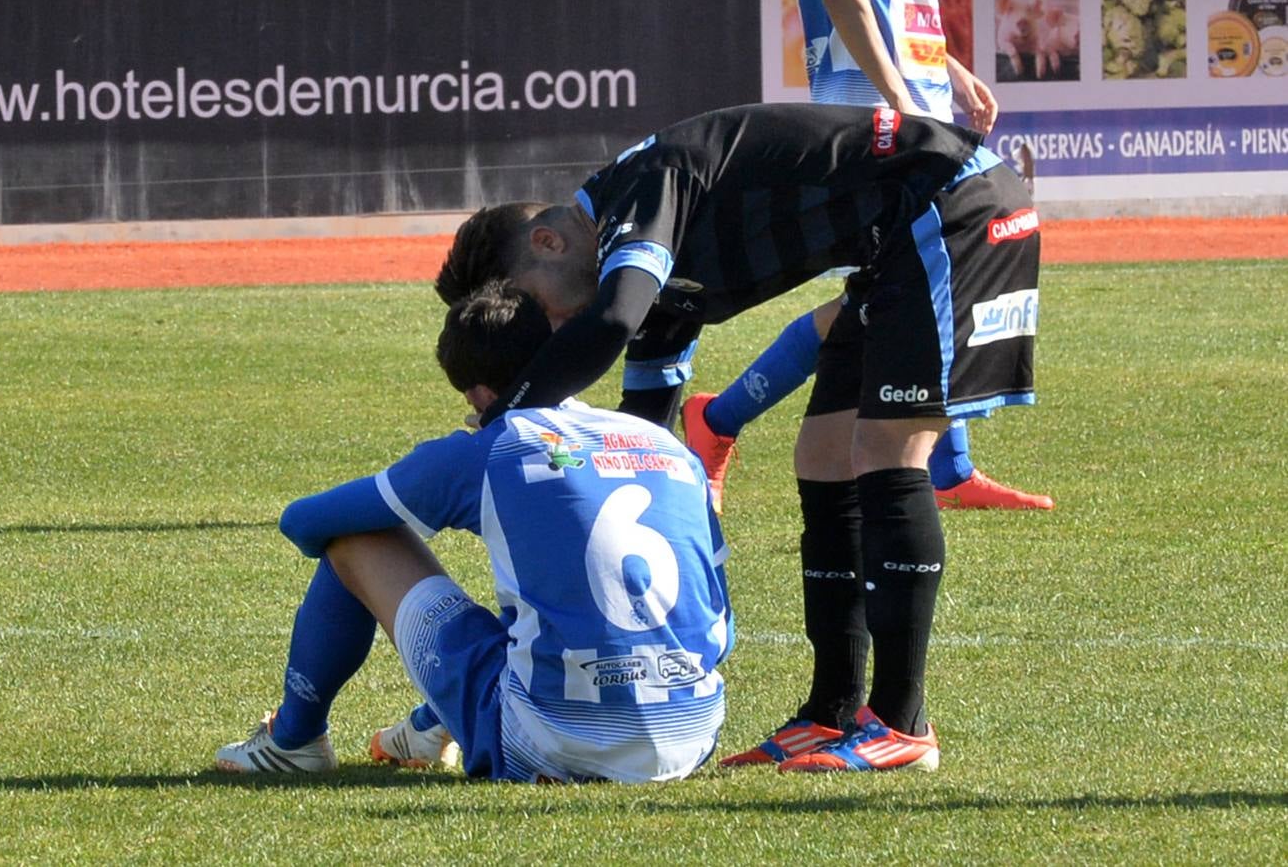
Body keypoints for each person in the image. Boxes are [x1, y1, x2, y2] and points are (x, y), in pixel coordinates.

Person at [433, 101, 1040, 773]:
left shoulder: (637, 192)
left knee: (887, 449)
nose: (554, 327)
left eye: (542, 307)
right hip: (888, 245)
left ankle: (902, 723)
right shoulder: (644, 275)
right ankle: (830, 710)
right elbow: (641, 433)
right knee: (823, 456)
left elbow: (608, 323)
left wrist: (501, 423)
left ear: (547, 242)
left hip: (950, 205)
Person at [215, 281, 733, 783]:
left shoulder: (491, 447)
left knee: (357, 536)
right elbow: (722, 633)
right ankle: (426, 727)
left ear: (480, 393)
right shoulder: (664, 444)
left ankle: (294, 741)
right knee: (542, 620)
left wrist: (450, 466)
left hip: (553, 743)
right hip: (691, 735)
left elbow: (304, 522)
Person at [681, 0, 1051, 517]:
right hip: (881, 120)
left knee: (900, 291)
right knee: (923, 281)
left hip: (915, 113)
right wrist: (900, 99)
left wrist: (949, 72)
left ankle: (720, 421)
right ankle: (718, 420)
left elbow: (890, 9)